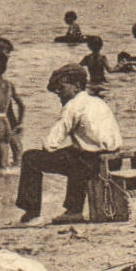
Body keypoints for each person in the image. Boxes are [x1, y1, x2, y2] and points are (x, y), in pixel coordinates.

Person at [15, 64, 122, 224]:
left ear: (77, 86)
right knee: (75, 153)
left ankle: (32, 213)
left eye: (61, 88)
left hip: (91, 163)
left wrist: (47, 145)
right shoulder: (98, 102)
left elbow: (50, 144)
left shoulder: (72, 106)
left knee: (30, 158)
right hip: (114, 160)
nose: (58, 93)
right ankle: (73, 209)